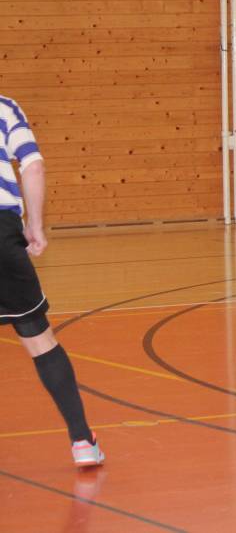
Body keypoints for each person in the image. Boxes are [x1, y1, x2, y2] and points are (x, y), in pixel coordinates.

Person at [0, 95, 104, 468]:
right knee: (38, 338)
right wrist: (35, 226)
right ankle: (82, 441)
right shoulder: (5, 108)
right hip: (1, 234)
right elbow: (33, 167)